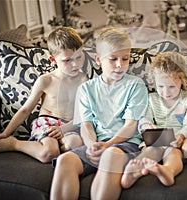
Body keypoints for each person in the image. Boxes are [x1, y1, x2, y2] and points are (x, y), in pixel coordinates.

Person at [49, 27, 148, 200]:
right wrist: (91, 146)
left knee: (110, 156)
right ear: (98, 59)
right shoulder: (86, 89)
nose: (120, 64)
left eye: (125, 58)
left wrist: (109, 144)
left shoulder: (135, 85)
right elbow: (86, 125)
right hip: (97, 145)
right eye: (113, 59)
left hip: (125, 146)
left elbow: (131, 125)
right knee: (65, 161)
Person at [0, 27, 88, 163]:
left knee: (75, 144)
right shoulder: (46, 80)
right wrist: (5, 133)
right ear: (53, 59)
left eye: (78, 57)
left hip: (69, 125)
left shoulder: (84, 79)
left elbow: (84, 112)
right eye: (67, 60)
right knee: (48, 153)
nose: (75, 64)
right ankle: (14, 144)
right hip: (47, 122)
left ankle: (62, 150)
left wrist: (65, 128)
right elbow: (25, 110)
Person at [121, 51, 187, 188]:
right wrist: (147, 127)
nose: (166, 92)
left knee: (173, 153)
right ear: (154, 82)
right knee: (151, 150)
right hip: (156, 141)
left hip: (175, 142)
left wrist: (181, 136)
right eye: (160, 87)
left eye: (172, 87)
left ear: (182, 80)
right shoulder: (151, 99)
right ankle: (135, 171)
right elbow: (144, 119)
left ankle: (168, 171)